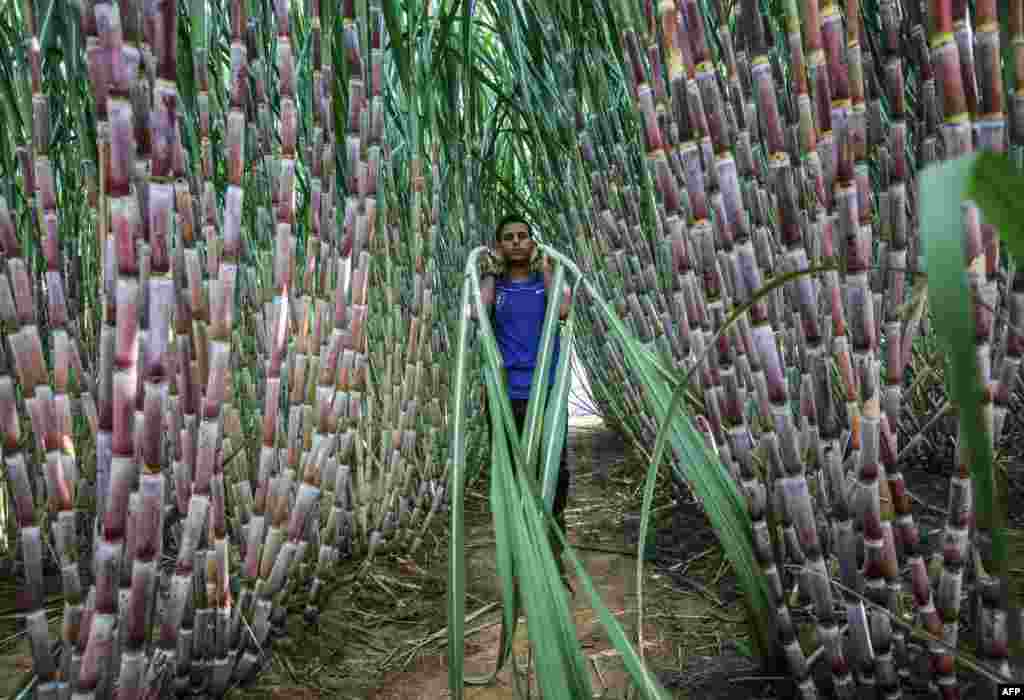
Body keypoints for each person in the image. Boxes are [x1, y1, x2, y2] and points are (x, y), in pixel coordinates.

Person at [475, 213, 574, 592]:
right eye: (508, 238)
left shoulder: (543, 283)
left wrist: (547, 267)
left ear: (532, 243)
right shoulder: (494, 286)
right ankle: (520, 565)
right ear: (499, 246)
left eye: (523, 236)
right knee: (514, 477)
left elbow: (562, 311)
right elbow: (476, 312)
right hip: (506, 394)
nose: (517, 242)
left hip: (545, 391)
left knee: (555, 473)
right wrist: (487, 272)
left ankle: (552, 555)